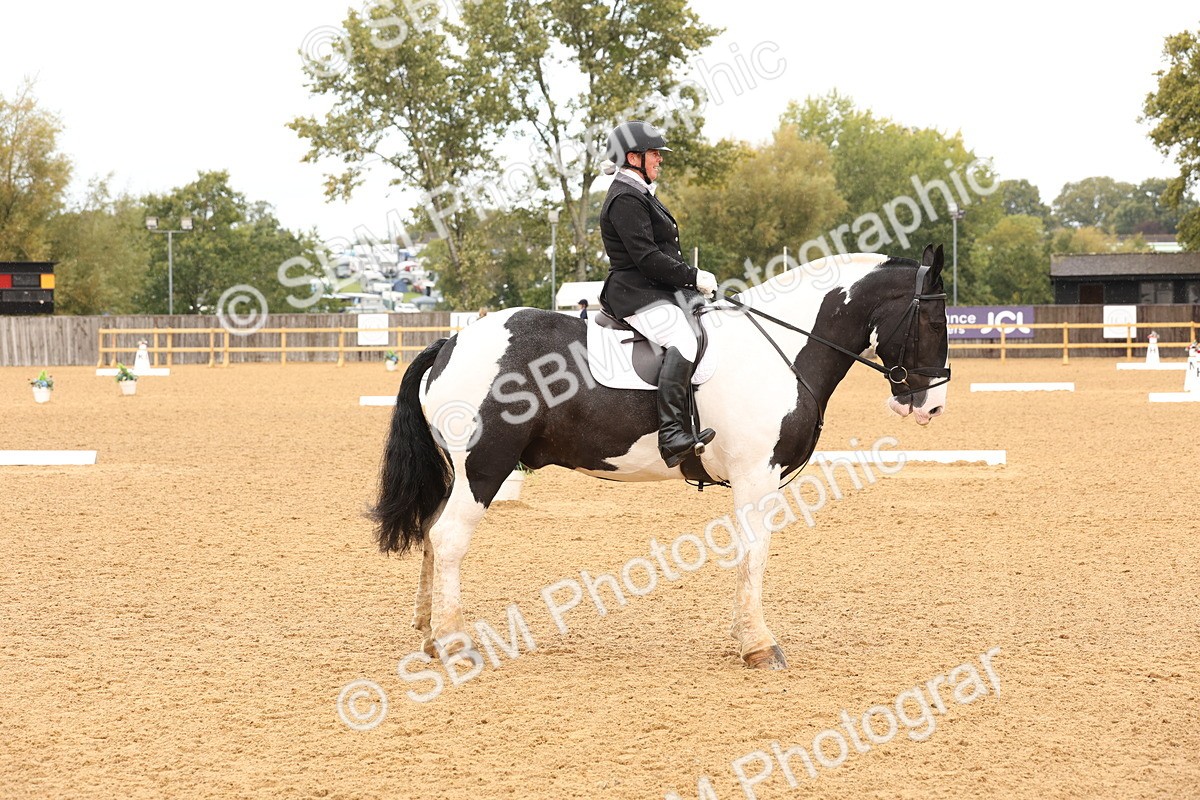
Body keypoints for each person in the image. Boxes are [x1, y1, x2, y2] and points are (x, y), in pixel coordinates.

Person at [598, 120, 720, 468]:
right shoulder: (625, 197)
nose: (659, 160)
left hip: (657, 290)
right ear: (633, 158)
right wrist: (692, 276)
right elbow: (648, 259)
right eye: (654, 154)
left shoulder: (638, 192)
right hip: (636, 292)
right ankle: (671, 435)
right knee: (682, 339)